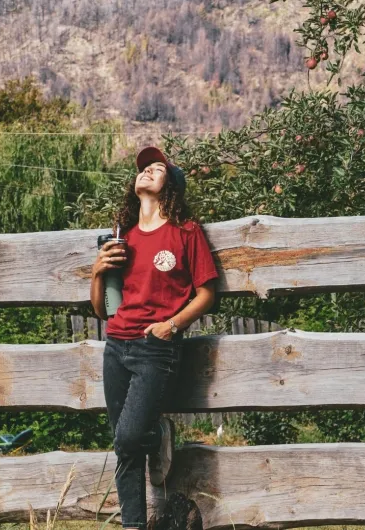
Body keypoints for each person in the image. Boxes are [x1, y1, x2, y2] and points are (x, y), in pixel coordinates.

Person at [90, 146, 219, 530]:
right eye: (143, 168)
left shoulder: (186, 232)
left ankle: (152, 429)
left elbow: (207, 294)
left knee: (129, 438)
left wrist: (172, 326)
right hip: (115, 346)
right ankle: (133, 526)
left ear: (171, 187)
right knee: (125, 447)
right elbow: (102, 310)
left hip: (154, 348)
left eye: (157, 168)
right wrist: (97, 272)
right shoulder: (122, 238)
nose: (146, 171)